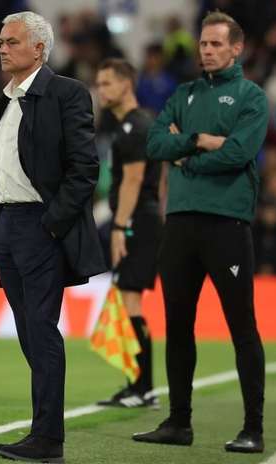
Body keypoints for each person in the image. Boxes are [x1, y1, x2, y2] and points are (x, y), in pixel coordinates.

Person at [132, 11, 268, 454]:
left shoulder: (251, 97)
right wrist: (198, 141)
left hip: (226, 223)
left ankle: (253, 427)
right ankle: (178, 423)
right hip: (181, 223)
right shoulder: (183, 94)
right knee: (178, 325)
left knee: (241, 327)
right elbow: (154, 144)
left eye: (215, 44)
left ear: (235, 48)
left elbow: (237, 153)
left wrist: (185, 156)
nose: (207, 50)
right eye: (203, 44)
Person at [0, 11, 105, 463]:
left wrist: (52, 224)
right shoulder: (6, 100)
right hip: (9, 226)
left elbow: (85, 168)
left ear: (39, 48)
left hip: (41, 225)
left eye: (12, 41)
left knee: (41, 328)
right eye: (1, 41)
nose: (2, 48)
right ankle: (43, 429)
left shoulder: (66, 93)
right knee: (28, 332)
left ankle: (48, 439)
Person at [94, 58, 162, 409]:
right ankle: (137, 384)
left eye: (107, 83)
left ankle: (143, 387)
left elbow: (134, 180)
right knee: (126, 299)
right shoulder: (132, 127)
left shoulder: (135, 127)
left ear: (126, 84)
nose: (101, 90)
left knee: (131, 300)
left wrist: (120, 226)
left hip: (137, 221)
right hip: (142, 218)